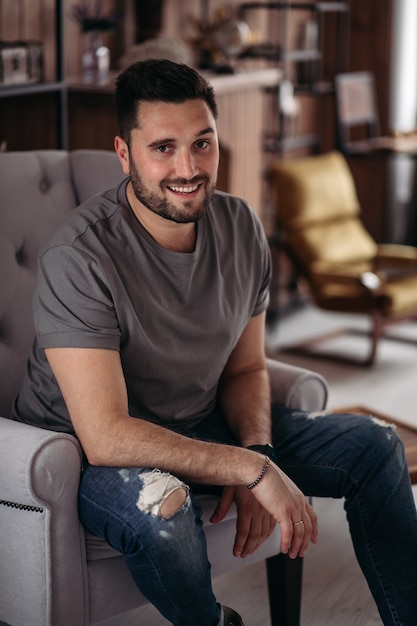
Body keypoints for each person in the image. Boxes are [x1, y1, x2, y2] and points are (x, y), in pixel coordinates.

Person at [12, 58, 417, 626]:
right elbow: (105, 435)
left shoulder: (242, 226)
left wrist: (259, 451)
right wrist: (244, 470)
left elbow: (246, 370)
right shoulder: (79, 257)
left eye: (203, 144)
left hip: (198, 421)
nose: (188, 167)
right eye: (164, 148)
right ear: (124, 155)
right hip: (79, 453)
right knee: (165, 506)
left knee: (376, 446)